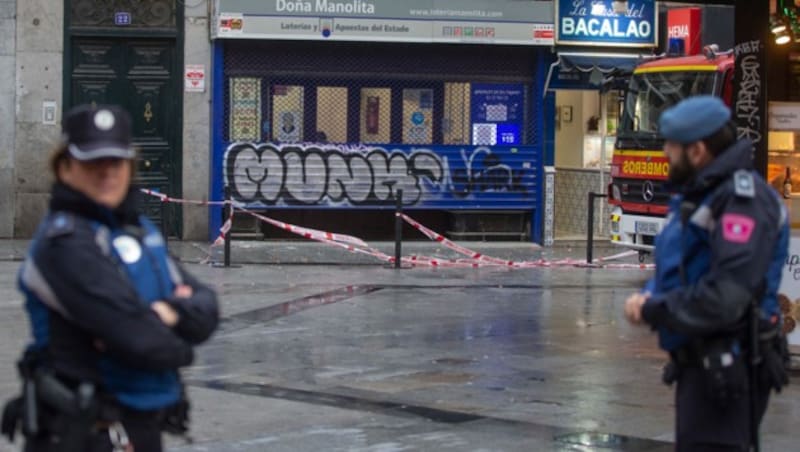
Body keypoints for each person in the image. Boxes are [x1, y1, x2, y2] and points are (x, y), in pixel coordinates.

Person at [1, 104, 219, 451]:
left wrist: (168, 314)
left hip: (140, 428)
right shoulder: (65, 243)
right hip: (83, 434)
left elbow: (207, 306)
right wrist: (175, 323)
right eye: (92, 163)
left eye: (116, 162)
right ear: (65, 167)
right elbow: (145, 343)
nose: (106, 174)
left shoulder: (138, 230)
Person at [624, 95, 790, 451]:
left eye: (671, 145)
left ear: (697, 151)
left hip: (729, 368)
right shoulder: (701, 196)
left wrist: (658, 308)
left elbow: (726, 296)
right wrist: (653, 293)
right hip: (699, 363)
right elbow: (680, 262)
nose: (665, 152)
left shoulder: (742, 202)